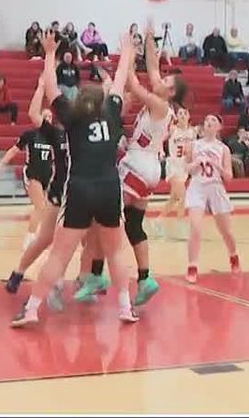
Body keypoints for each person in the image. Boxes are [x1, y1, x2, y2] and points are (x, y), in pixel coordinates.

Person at [10, 29, 140, 327]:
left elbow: (53, 87)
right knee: (115, 251)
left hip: (80, 188)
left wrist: (51, 54)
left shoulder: (70, 115)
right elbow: (120, 80)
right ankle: (124, 307)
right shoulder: (112, 111)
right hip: (109, 188)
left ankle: (31, 309)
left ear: (80, 99)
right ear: (103, 99)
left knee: (59, 255)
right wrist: (128, 53)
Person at [78, 24, 188, 307]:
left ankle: (97, 275)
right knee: (135, 225)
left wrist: (126, 54)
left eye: (167, 82)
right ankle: (145, 278)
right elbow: (152, 66)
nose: (162, 79)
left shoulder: (160, 105)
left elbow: (134, 84)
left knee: (105, 219)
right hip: (149, 168)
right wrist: (150, 38)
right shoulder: (162, 100)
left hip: (137, 164)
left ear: (171, 93)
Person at [1, 75, 70, 292]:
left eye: (51, 115)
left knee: (60, 226)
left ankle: (65, 276)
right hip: (33, 175)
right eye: (45, 115)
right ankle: (29, 245)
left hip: (54, 178)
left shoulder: (61, 136)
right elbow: (16, 146)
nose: (48, 118)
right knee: (40, 210)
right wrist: (3, 162)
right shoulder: (33, 134)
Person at [184, 114, 240, 284]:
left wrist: (218, 166)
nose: (208, 122)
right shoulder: (193, 145)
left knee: (226, 231)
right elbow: (187, 168)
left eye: (213, 120)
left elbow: (229, 177)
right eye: (206, 120)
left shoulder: (223, 149)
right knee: (195, 228)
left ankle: (233, 255)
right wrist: (195, 164)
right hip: (197, 186)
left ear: (219, 127)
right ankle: (192, 267)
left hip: (216, 187)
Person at [159, 107, 196, 240]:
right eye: (180, 113)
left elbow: (193, 150)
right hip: (173, 165)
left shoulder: (192, 132)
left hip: (184, 167)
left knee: (174, 198)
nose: (182, 115)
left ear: (188, 116)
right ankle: (180, 226)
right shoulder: (173, 129)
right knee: (183, 197)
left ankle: (158, 221)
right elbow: (159, 138)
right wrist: (161, 150)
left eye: (184, 113)